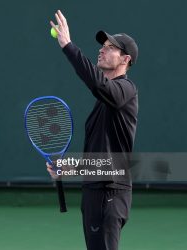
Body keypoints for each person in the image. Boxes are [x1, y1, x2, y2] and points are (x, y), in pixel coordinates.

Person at [47, 10, 139, 250]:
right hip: (96, 192)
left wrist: (68, 45)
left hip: (109, 193)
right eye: (103, 46)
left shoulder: (125, 90)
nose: (102, 49)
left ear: (125, 60)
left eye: (110, 47)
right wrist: (67, 167)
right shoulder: (105, 101)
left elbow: (97, 83)